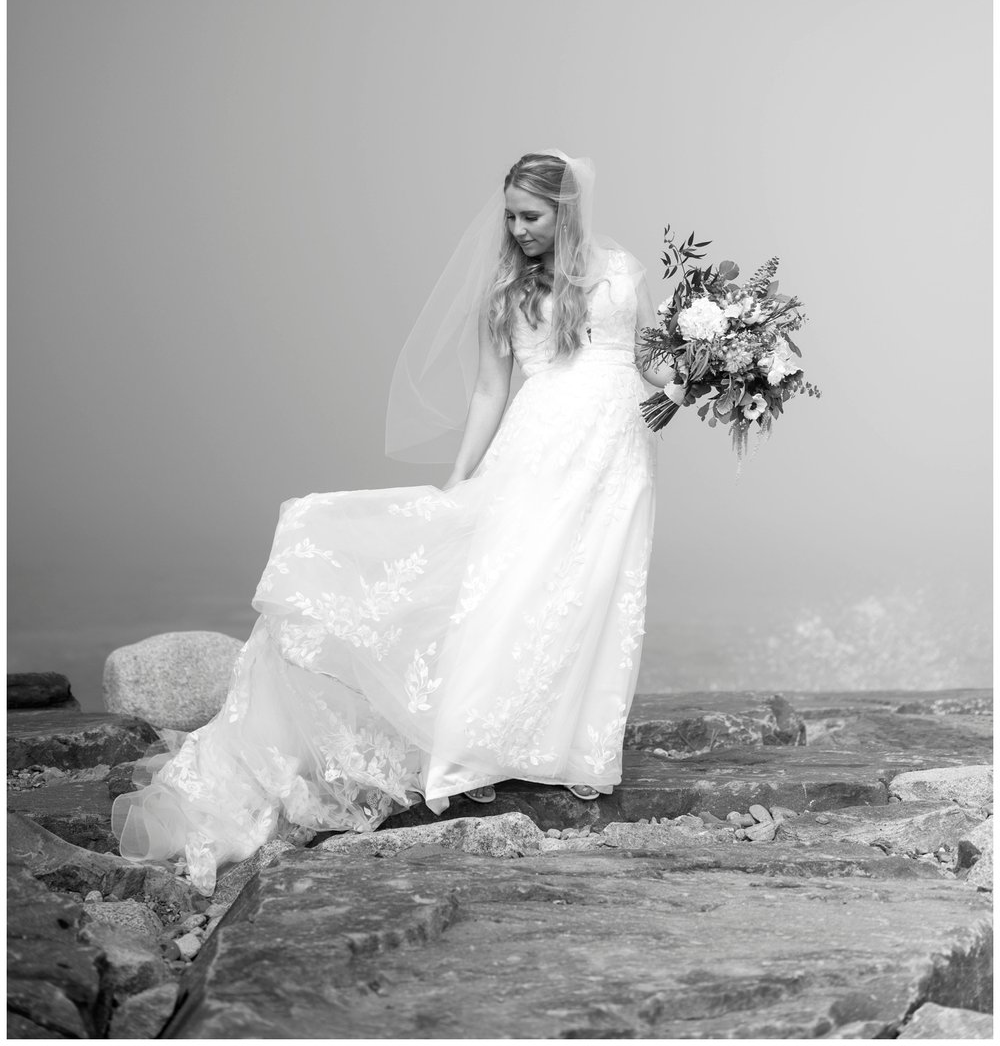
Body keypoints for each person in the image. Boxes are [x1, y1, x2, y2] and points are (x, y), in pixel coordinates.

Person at [111, 150, 686, 894]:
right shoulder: (508, 290)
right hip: (541, 451)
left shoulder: (624, 271)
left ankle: (571, 747)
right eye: (510, 214)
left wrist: (686, 381)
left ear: (567, 209)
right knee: (514, 589)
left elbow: (650, 359)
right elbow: (488, 395)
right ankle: (473, 743)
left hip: (617, 459)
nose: (517, 229)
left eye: (531, 216)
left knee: (594, 593)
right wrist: (456, 484)